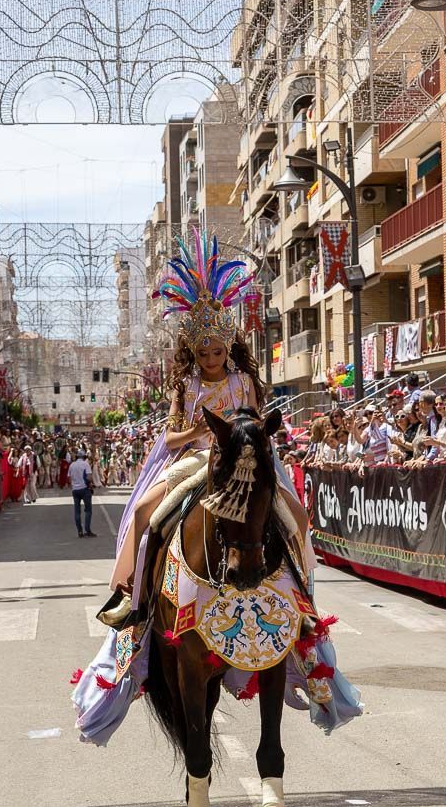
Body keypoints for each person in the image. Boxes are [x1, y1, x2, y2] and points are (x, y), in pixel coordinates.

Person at [108, 230, 310, 605]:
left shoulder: (243, 380)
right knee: (142, 512)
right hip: (194, 463)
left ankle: (303, 596)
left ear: (227, 347)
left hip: (243, 464)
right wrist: (195, 433)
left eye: (216, 351)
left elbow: (256, 422)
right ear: (194, 354)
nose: (211, 360)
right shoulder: (185, 386)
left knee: (296, 515)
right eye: (203, 355)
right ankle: (138, 595)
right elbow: (169, 440)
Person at [70, 448, 96, 537]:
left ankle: (79, 531)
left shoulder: (72, 465)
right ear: (84, 457)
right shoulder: (85, 464)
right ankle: (87, 530)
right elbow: (89, 477)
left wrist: (74, 484)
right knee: (88, 510)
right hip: (84, 488)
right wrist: (91, 484)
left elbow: (69, 477)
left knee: (77, 511)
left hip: (75, 489)